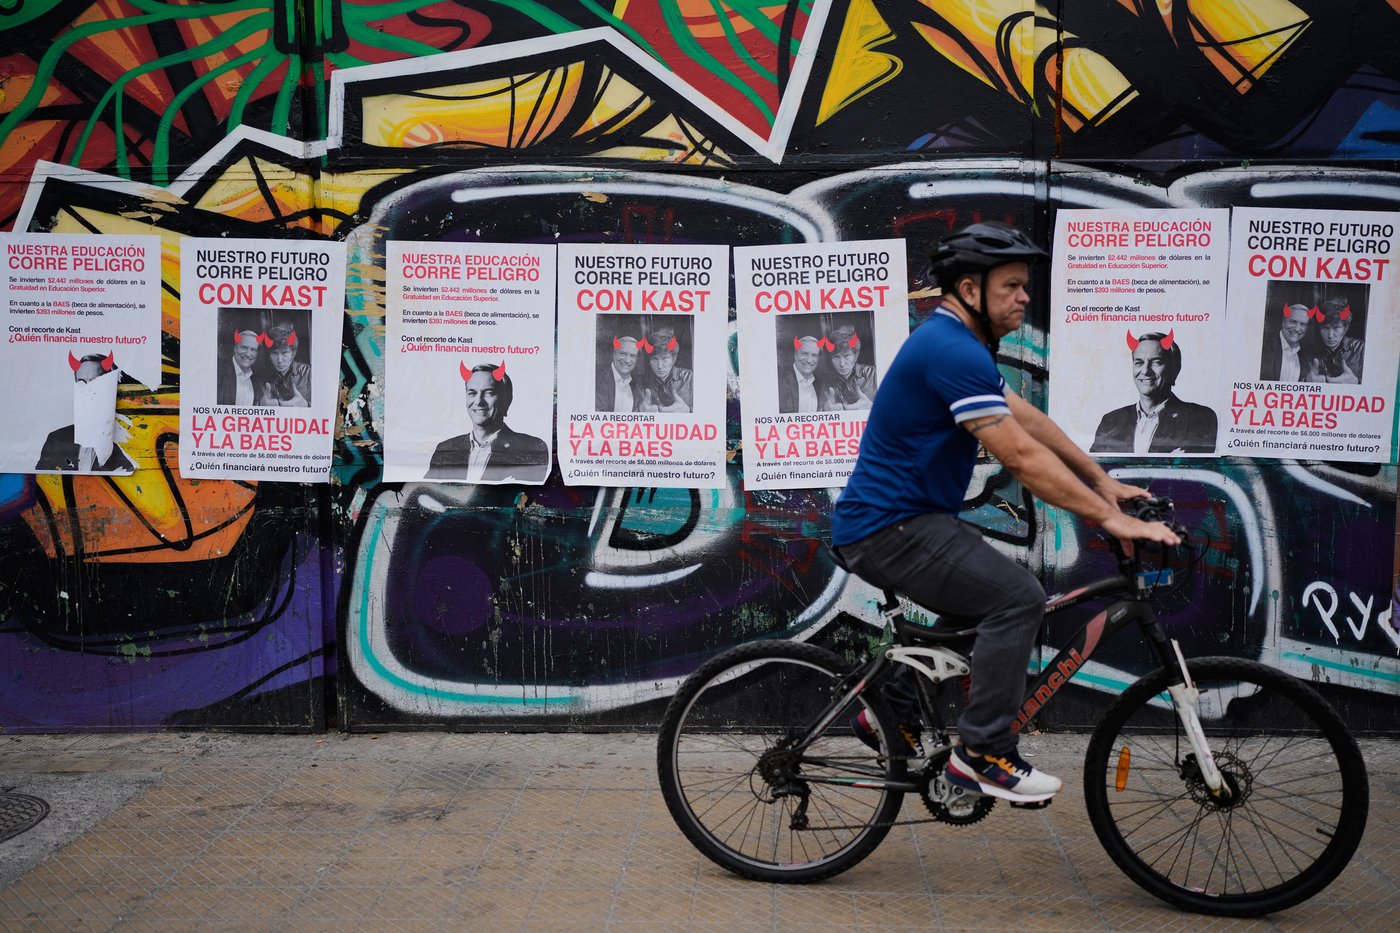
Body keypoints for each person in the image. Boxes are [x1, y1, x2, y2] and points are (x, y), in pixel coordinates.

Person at [832, 221, 1179, 804]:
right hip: (887, 528)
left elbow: (1029, 421)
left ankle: (889, 709)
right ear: (970, 290)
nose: (1024, 297)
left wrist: (1102, 481)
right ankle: (983, 755)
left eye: (1026, 286)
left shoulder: (959, 345)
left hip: (907, 521)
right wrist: (1111, 519)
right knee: (1015, 597)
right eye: (1013, 285)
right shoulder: (948, 348)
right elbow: (1019, 455)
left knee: (980, 598)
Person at [1090, 331, 1217, 454]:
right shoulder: (1111, 421)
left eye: (1156, 362)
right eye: (1139, 362)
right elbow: (1095, 470)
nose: (1145, 371)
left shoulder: (1200, 418)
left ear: (1174, 369)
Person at [425, 364, 550, 483]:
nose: (478, 401)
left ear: (505, 399)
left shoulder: (531, 448)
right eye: (472, 393)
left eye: (489, 392)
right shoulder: (445, 449)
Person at [35, 353, 136, 473]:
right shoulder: (56, 440)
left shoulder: (128, 441)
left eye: (96, 382)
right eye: (82, 382)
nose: (88, 389)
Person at [1303, 299, 1364, 384]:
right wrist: (1306, 381)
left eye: (1336, 328)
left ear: (1345, 328)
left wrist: (1357, 382)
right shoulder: (1309, 352)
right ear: (1319, 329)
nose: (1330, 335)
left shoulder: (1362, 349)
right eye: (1325, 328)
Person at [636, 328, 694, 413]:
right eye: (654, 359)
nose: (659, 366)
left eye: (665, 358)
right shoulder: (642, 383)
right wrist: (640, 412)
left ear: (674, 358)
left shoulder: (691, 378)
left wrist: (688, 410)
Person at [821, 325, 877, 411]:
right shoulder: (824, 381)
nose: (842, 364)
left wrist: (871, 408)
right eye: (836, 357)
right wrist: (825, 411)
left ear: (855, 355)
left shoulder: (874, 374)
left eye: (847, 356)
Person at [255, 324, 312, 408]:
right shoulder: (259, 377)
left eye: (284, 353)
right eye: (274, 353)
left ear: (293, 353)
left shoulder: (309, 372)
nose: (279, 360)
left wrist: (306, 405)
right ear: (269, 355)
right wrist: (260, 406)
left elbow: (325, 406)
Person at [1260, 303, 1311, 382]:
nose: (1297, 329)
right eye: (1293, 322)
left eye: (1303, 324)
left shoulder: (1306, 357)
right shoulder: (1264, 347)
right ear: (1283, 322)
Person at [778, 335, 826, 413]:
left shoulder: (820, 385)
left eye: (814, 355)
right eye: (804, 354)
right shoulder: (779, 378)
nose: (809, 360)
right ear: (795, 355)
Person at [596, 335, 640, 412]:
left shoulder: (637, 385)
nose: (627, 360)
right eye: (623, 354)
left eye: (632, 356)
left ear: (637, 359)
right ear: (614, 354)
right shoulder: (597, 379)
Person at [217, 330, 261, 406]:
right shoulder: (219, 371)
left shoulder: (257, 380)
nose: (248, 354)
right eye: (244, 348)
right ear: (235, 348)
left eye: (253, 350)